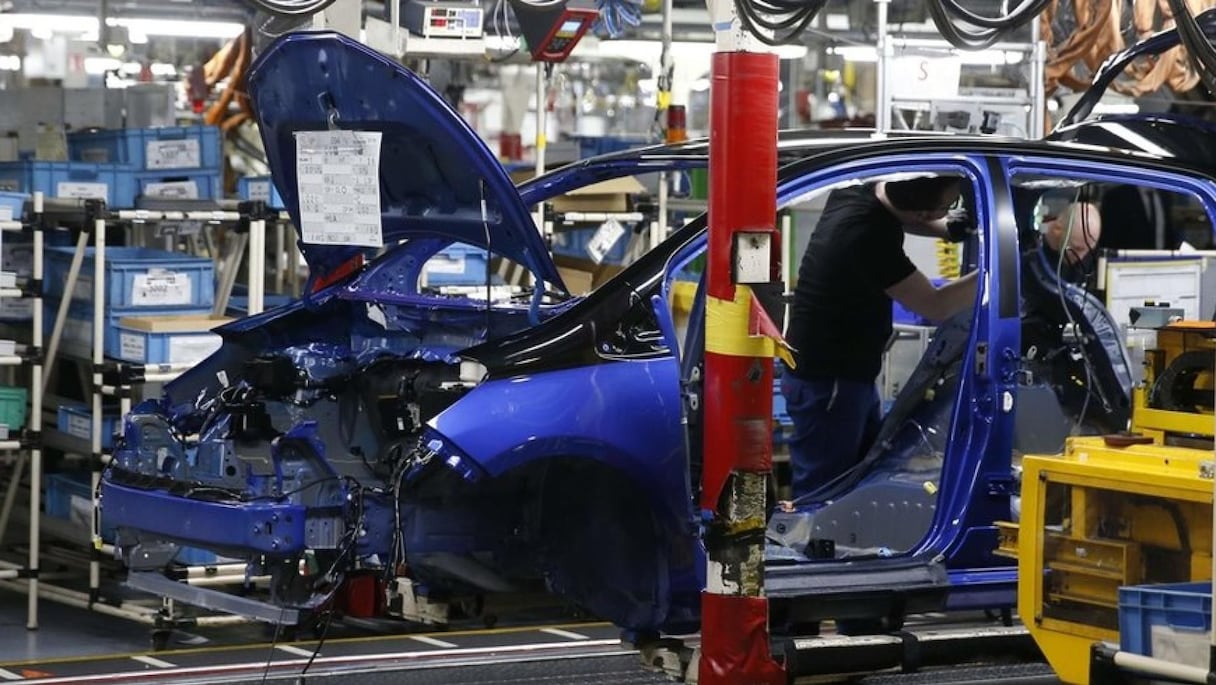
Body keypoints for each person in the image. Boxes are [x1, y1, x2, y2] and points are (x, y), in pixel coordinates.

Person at [782, 177, 978, 502]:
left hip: (841, 375)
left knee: (861, 470)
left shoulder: (858, 188)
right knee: (825, 487)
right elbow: (936, 304)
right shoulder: (865, 237)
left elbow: (899, 216)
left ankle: (841, 544)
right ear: (920, 211)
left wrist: (947, 228)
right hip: (829, 382)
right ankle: (808, 547)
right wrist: (1000, 268)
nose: (948, 211)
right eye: (946, 207)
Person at [1037, 200, 1103, 284]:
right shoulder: (1026, 250)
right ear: (1057, 229)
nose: (1081, 257)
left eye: (1089, 250)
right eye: (1077, 248)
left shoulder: (1087, 255)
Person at [1098, 183, 1179, 250]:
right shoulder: (1117, 196)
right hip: (1127, 264)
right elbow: (1108, 239)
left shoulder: (1165, 195)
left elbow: (1168, 235)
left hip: (1163, 263)